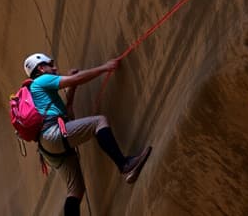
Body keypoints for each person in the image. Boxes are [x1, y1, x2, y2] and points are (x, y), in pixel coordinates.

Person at [23, 53, 152, 216]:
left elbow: (68, 112)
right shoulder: (42, 80)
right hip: (53, 134)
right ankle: (125, 165)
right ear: (41, 68)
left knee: (75, 190)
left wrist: (72, 88)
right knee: (99, 122)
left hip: (47, 147)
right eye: (50, 64)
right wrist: (104, 67)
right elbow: (76, 80)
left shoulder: (38, 91)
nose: (54, 68)